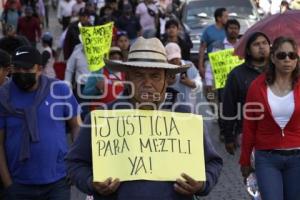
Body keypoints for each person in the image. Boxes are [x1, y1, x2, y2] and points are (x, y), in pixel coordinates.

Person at [65, 37, 222, 200]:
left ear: (167, 79)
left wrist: (202, 184)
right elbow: (75, 163)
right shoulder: (103, 118)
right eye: (139, 75)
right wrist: (91, 183)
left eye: (155, 76)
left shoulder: (185, 116)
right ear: (127, 77)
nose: (147, 83)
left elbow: (213, 163)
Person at [0, 46, 81, 200]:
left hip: (58, 183)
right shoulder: (3, 97)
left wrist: (74, 163)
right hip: (19, 185)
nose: (21, 73)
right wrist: (8, 183)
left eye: (27, 68)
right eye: (17, 68)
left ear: (39, 69)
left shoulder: (59, 89)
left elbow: (76, 126)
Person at [240, 36, 300, 200]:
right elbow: (249, 126)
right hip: (266, 158)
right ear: (273, 58)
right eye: (282, 55)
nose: (287, 59)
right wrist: (245, 160)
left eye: (292, 55)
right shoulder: (256, 87)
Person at [222, 32, 271, 155]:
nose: (261, 47)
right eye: (256, 44)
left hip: (278, 133)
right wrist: (229, 136)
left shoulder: (280, 71)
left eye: (265, 43)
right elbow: (229, 106)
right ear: (248, 51)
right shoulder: (237, 74)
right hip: (248, 132)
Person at [210, 19, 241, 142]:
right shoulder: (218, 46)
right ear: (226, 30)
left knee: (240, 106)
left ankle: (238, 131)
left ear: (239, 30)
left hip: (239, 82)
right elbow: (212, 65)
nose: (233, 30)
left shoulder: (242, 45)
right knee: (224, 107)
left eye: (236, 28)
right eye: (231, 28)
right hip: (224, 83)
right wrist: (209, 82)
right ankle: (224, 130)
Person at [165, 42, 202, 113]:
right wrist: (166, 83)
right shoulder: (163, 69)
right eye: (171, 59)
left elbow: (200, 86)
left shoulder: (189, 66)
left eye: (176, 58)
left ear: (180, 55)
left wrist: (190, 83)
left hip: (189, 108)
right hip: (169, 111)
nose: (174, 60)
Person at [198, 8, 228, 80]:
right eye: (226, 16)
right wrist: (200, 66)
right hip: (211, 65)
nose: (228, 18)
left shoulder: (229, 30)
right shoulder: (208, 31)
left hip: (226, 64)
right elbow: (202, 48)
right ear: (218, 18)